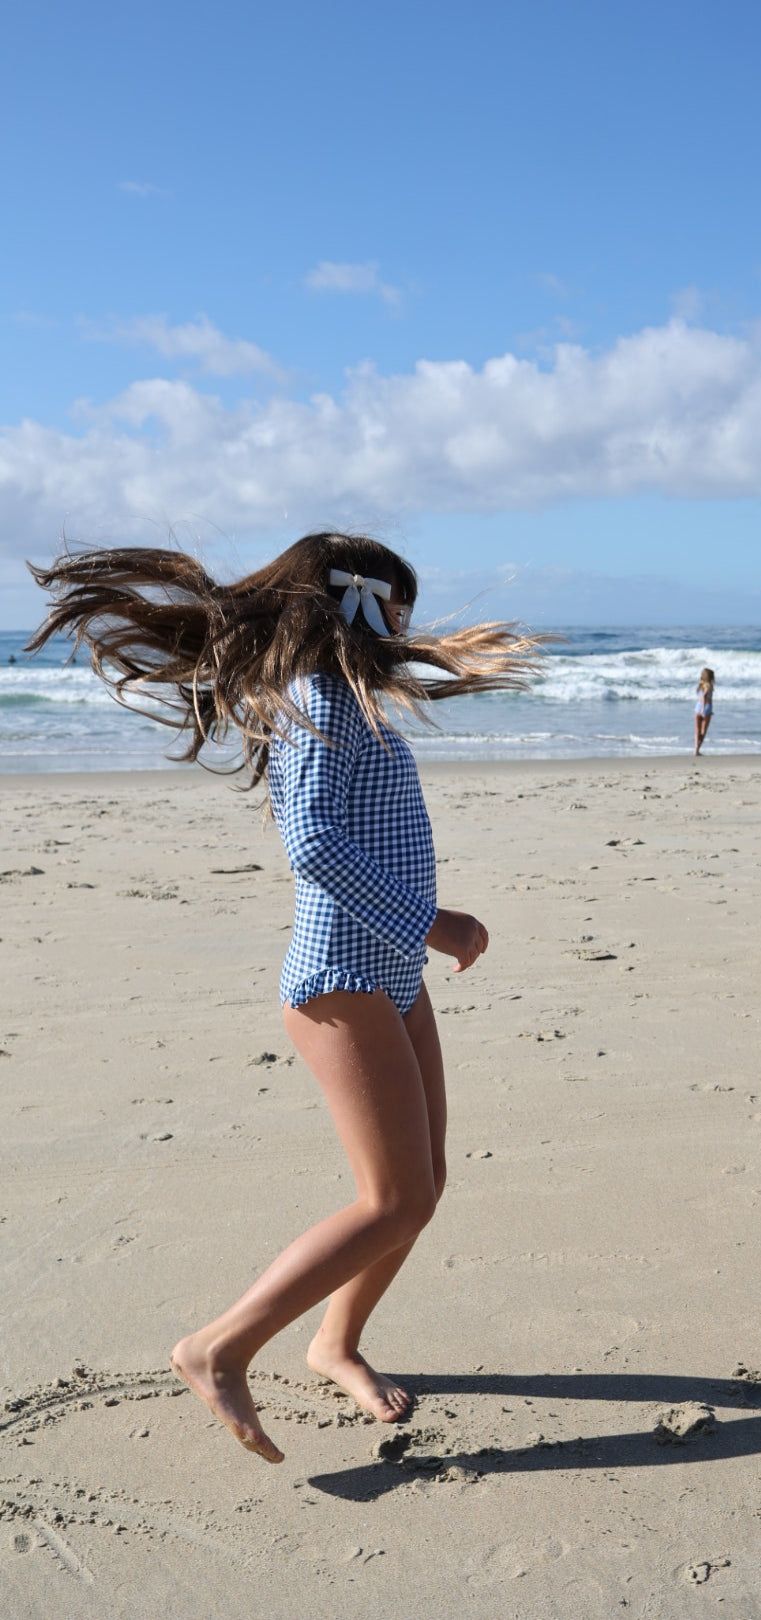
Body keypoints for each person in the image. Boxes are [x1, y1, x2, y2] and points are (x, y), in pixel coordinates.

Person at [28, 532, 541, 1464]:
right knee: (391, 1199)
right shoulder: (317, 702)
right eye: (399, 606)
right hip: (340, 974)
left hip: (388, 970)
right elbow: (311, 845)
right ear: (352, 601)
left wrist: (416, 937)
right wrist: (436, 919)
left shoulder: (350, 698)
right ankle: (217, 1347)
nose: (405, 625)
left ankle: (332, 1343)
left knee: (421, 1184)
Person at [693, 666, 714, 756]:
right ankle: (697, 749)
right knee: (703, 731)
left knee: (697, 730)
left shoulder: (701, 684)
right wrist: (704, 708)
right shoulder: (708, 685)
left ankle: (695, 749)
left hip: (697, 707)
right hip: (706, 708)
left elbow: (701, 696)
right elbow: (705, 695)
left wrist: (700, 708)